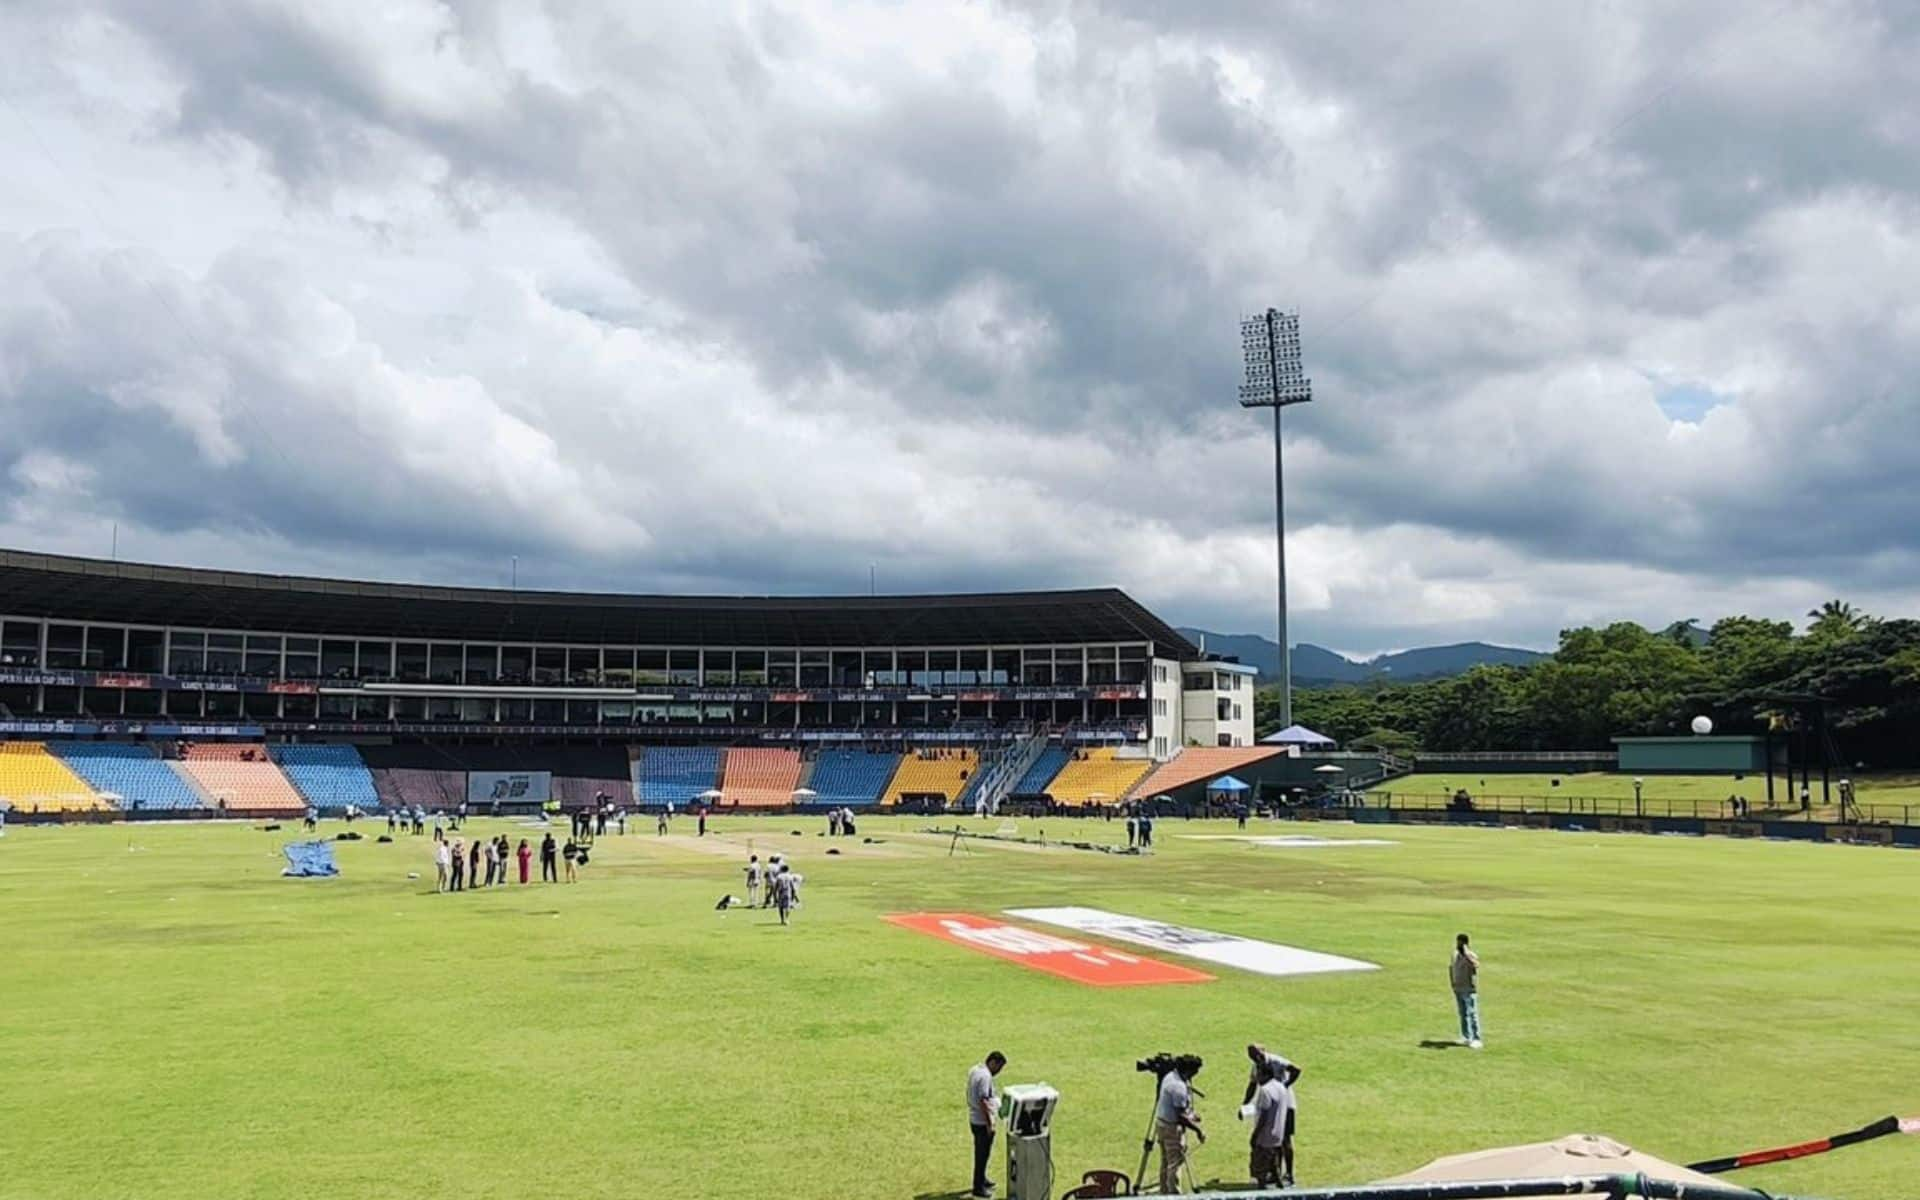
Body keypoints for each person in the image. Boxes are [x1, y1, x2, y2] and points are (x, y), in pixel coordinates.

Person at [1243, 1045, 1301, 1187]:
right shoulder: (1257, 1066)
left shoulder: (1276, 1061)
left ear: (1263, 1052)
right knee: (1274, 1141)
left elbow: (1296, 1070)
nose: (1256, 1059)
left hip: (1286, 1105)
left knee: (1285, 1140)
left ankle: (1289, 1173)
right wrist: (1244, 1104)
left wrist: (1285, 1085)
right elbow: (1252, 1085)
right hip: (1272, 1105)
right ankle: (1276, 1173)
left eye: (1257, 1055)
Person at [1154, 1057, 1205, 1194]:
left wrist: (1192, 1115)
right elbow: (1180, 1116)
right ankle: (1173, 1194)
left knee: (1166, 1162)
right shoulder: (1179, 1087)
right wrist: (1198, 1130)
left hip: (1161, 1123)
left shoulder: (1170, 1076)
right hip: (1172, 1128)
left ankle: (1164, 1192)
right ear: (1189, 1070)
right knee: (1175, 1164)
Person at [966, 1051, 1006, 1199]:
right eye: (999, 1067)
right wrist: (990, 1124)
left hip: (974, 1118)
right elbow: (983, 1101)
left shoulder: (976, 1070)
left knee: (983, 1153)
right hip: (981, 1121)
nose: (998, 1071)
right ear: (993, 1062)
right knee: (981, 1155)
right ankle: (978, 1187)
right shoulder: (985, 1076)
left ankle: (982, 1179)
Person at [1452, 933, 1482, 1048]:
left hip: (1469, 989)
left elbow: (1476, 964)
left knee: (1472, 1013)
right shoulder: (1455, 955)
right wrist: (1453, 984)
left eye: (1460, 942)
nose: (1458, 944)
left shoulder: (1471, 955)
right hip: (1458, 988)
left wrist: (1467, 954)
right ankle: (1466, 1037)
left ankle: (1476, 1038)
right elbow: (1451, 968)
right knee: (1462, 1014)